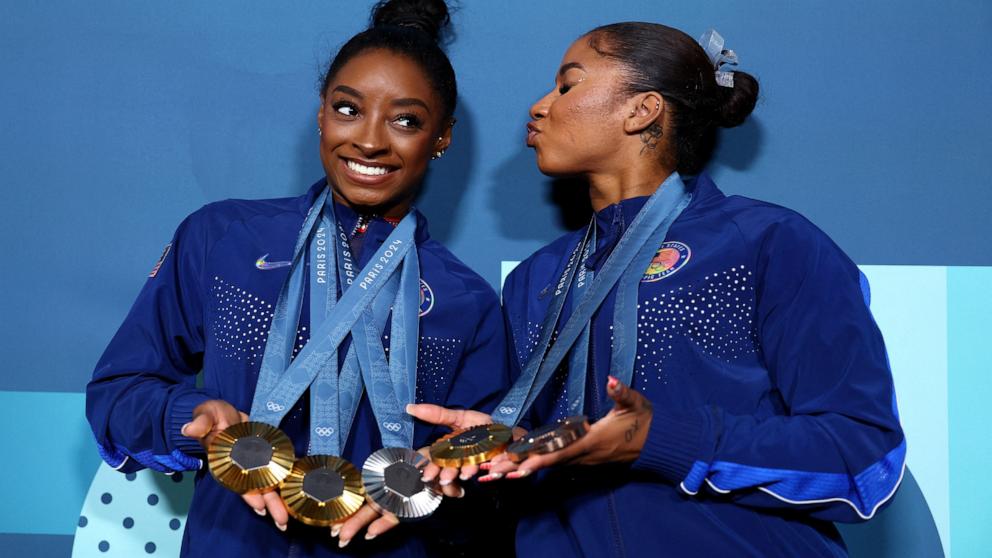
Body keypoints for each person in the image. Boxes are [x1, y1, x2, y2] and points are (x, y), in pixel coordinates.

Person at [409, 22, 906, 557]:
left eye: (567, 86)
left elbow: (864, 456)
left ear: (642, 110)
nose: (539, 106)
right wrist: (496, 443)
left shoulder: (767, 243)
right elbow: (536, 470)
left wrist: (660, 439)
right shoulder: (534, 279)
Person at [86, 1, 510, 556]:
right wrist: (187, 417)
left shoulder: (467, 299)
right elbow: (116, 397)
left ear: (442, 137)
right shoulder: (224, 237)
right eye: (347, 109)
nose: (370, 141)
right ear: (320, 113)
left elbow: (483, 482)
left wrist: (443, 479)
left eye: (406, 120)